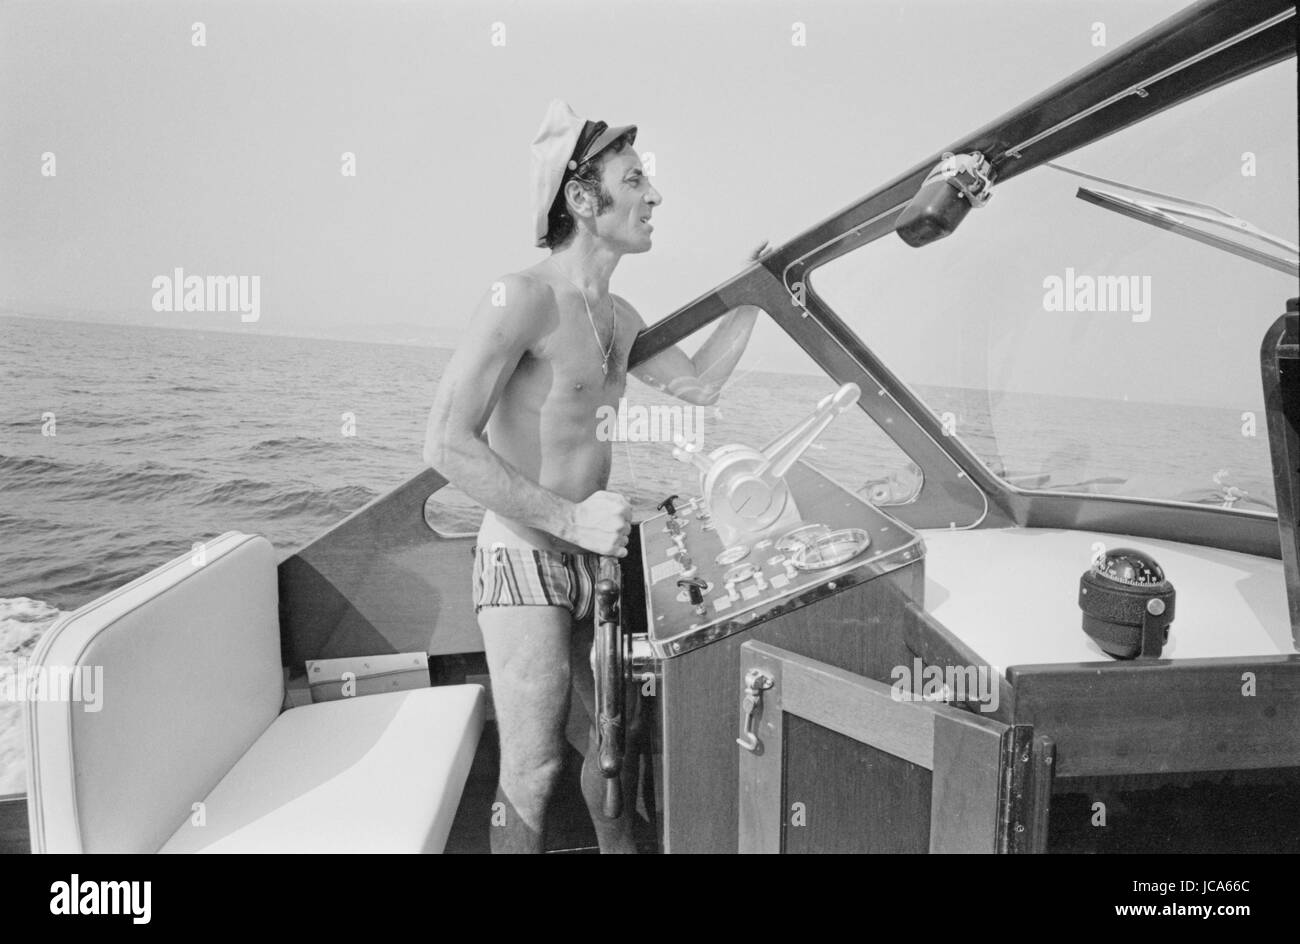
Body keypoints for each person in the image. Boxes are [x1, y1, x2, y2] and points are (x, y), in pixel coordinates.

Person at [423, 99, 764, 853]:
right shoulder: (522, 298)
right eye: (635, 180)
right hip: (524, 557)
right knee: (535, 770)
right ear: (583, 199)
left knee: (615, 775)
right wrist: (571, 520)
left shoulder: (622, 316)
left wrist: (755, 296)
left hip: (597, 562)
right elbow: (445, 443)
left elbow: (701, 386)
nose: (654, 196)